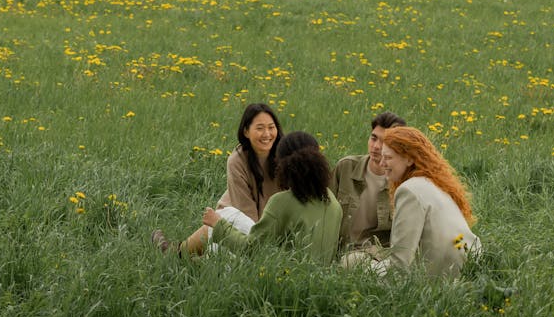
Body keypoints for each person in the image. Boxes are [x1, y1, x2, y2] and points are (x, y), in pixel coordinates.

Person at [344, 126, 481, 277]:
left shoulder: (409, 191)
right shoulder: (434, 184)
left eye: (388, 158)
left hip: (436, 278)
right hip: (467, 268)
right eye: (382, 157)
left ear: (409, 159)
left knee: (351, 260)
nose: (382, 164)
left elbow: (400, 264)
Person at [152, 103, 283, 256]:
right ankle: (177, 252)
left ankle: (182, 255)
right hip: (240, 216)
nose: (267, 134)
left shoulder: (287, 155)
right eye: (260, 128)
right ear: (246, 131)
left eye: (271, 127)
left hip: (274, 223)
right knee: (229, 232)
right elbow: (247, 217)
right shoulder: (238, 160)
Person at [202, 131, 343, 264]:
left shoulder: (283, 201)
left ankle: (205, 269)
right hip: (318, 277)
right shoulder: (334, 204)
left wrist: (217, 224)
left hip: (284, 276)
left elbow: (251, 249)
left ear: (284, 165)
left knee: (225, 215)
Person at [330, 112, 407, 250]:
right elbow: (324, 210)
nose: (376, 146)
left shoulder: (403, 182)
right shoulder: (345, 167)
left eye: (384, 142)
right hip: (339, 249)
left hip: (377, 255)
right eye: (373, 138)